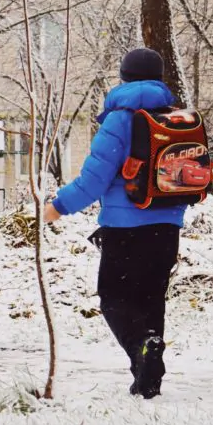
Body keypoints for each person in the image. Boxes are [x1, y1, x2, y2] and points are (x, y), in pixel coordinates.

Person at [43, 48, 186, 399]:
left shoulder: (119, 118)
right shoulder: (175, 115)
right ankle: (147, 377)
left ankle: (143, 346)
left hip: (124, 230)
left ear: (123, 77)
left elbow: (94, 179)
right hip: (168, 226)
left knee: (114, 299)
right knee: (152, 299)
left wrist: (58, 206)